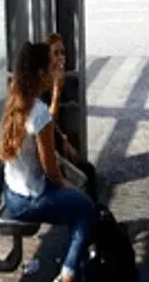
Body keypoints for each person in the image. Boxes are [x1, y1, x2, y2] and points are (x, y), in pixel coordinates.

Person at [0, 42, 96, 282]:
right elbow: (51, 170)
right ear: (41, 74)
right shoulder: (39, 113)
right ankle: (68, 273)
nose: (55, 72)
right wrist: (68, 185)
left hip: (11, 193)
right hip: (30, 200)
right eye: (52, 68)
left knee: (74, 204)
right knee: (85, 208)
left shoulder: (15, 101)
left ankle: (72, 265)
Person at [44, 33, 98, 201]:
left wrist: (63, 138)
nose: (61, 58)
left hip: (57, 142)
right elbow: (45, 124)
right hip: (47, 150)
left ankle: (94, 216)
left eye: (63, 53)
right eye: (56, 53)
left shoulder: (57, 80)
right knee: (84, 176)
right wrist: (56, 92)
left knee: (88, 170)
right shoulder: (44, 85)